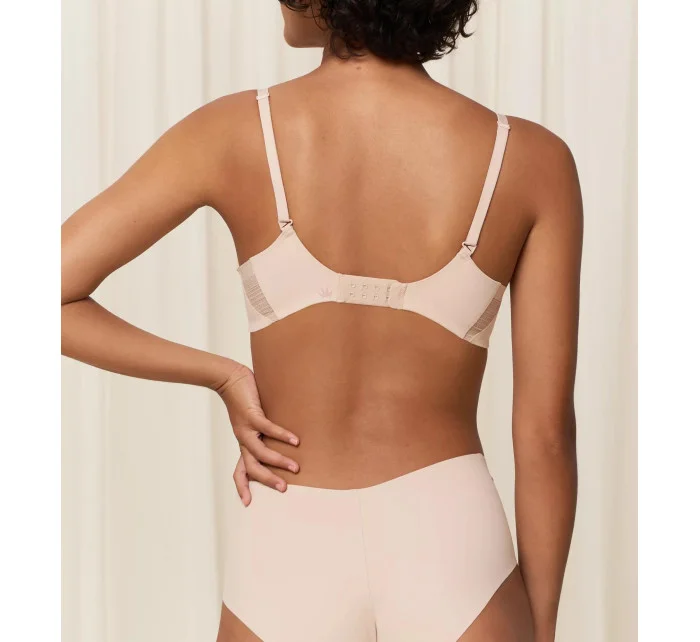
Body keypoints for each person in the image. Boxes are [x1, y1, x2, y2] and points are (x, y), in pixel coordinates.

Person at [61, 1, 582, 641]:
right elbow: (545, 434)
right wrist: (542, 628)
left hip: (287, 532)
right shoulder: (531, 159)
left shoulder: (234, 131)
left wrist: (223, 375)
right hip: (451, 537)